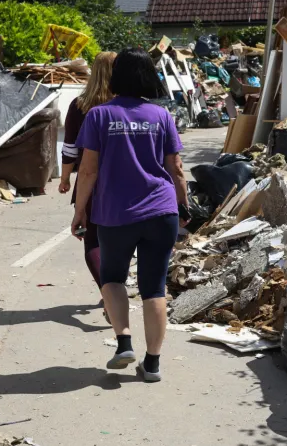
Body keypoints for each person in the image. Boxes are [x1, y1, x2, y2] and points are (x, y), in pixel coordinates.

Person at [71, 47, 188, 383]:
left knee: (112, 278)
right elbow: (176, 168)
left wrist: (81, 211)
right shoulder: (162, 116)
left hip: (115, 213)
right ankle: (152, 364)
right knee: (154, 287)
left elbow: (88, 170)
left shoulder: (99, 116)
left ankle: (123, 342)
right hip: (160, 210)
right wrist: (183, 206)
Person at [58, 51, 117, 290]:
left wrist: (64, 180)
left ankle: (109, 291)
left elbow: (70, 148)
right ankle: (115, 290)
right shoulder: (126, 106)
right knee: (119, 239)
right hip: (124, 180)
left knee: (92, 239)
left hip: (90, 182)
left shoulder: (80, 105)